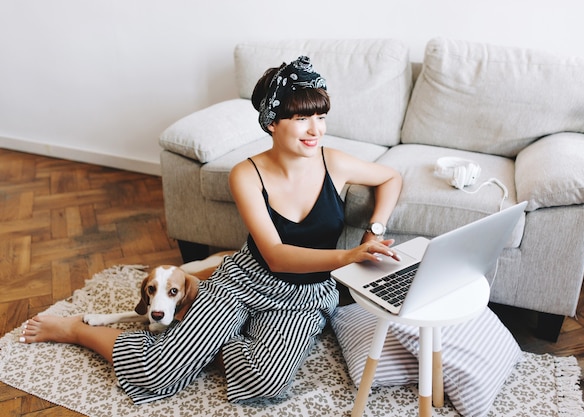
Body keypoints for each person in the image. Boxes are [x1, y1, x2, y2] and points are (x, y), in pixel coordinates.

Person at [20, 56, 403, 404]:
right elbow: (274, 254)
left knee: (265, 385)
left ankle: (199, 340)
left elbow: (391, 178)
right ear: (271, 122)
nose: (315, 129)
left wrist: (373, 231)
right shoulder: (246, 174)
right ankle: (77, 330)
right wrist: (350, 256)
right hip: (246, 279)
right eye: (302, 118)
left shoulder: (333, 162)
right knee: (157, 371)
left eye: (320, 117)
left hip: (304, 297)